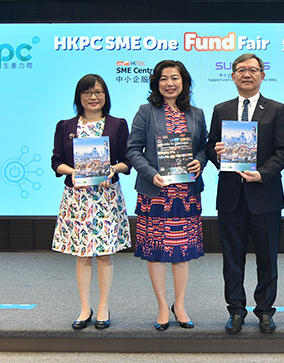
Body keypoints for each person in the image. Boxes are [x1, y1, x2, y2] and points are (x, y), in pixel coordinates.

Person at [206, 53, 284, 334]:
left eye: (253, 70)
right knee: (232, 257)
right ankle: (236, 310)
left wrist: (262, 173)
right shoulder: (221, 110)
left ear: (262, 75)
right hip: (230, 196)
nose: (247, 74)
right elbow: (209, 148)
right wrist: (217, 154)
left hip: (264, 194)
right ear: (232, 76)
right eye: (241, 70)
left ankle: (265, 311)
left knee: (267, 257)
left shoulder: (277, 109)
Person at [126, 60, 208, 330]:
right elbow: (133, 150)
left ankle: (180, 305)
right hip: (156, 193)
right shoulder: (146, 112)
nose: (169, 83)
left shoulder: (196, 113)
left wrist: (199, 161)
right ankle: (162, 305)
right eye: (164, 78)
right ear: (156, 83)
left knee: (181, 253)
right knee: (157, 252)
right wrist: (150, 174)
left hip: (185, 194)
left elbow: (204, 147)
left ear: (184, 82)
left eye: (175, 78)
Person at [51, 74, 131, 330]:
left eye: (98, 92)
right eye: (87, 92)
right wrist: (72, 172)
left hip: (106, 198)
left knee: (105, 254)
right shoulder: (65, 126)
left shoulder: (117, 124)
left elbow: (128, 161)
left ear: (105, 96)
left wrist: (112, 169)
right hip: (77, 199)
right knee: (82, 255)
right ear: (79, 97)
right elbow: (56, 161)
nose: (93, 97)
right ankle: (85, 308)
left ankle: (104, 306)